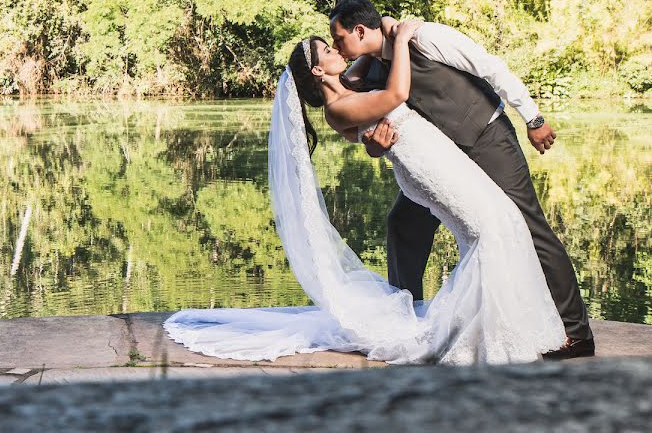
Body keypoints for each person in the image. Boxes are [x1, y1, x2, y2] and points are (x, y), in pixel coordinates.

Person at [164, 22, 565, 365]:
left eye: (336, 41)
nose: (336, 49)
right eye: (328, 49)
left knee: (499, 222)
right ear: (319, 69)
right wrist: (405, 40)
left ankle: (498, 327)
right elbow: (395, 97)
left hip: (436, 152)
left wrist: (386, 36)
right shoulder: (336, 109)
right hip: (424, 163)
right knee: (488, 229)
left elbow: (370, 69)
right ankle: (480, 336)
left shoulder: (350, 82)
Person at [330, 0, 593, 359]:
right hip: (441, 164)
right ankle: (406, 321)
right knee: (402, 224)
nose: (336, 47)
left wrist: (532, 118)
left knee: (528, 225)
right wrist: (375, 145)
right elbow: (361, 119)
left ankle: (577, 333)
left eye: (340, 39)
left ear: (360, 31)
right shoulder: (373, 67)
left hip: (486, 139)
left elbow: (490, 67)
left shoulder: (426, 37)